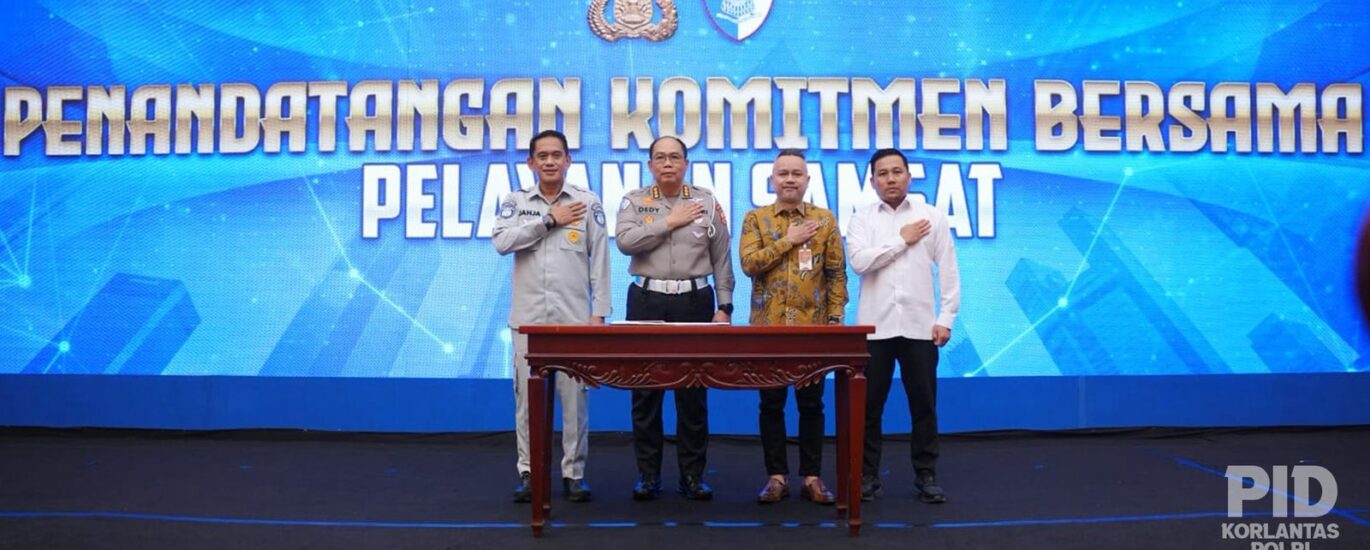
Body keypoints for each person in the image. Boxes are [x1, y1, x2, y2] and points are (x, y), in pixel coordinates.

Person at [493, 129, 610, 504]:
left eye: (556, 155)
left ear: (568, 160)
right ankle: (529, 473)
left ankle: (573, 474)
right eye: (542, 155)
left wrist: (599, 315)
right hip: (527, 322)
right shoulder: (515, 202)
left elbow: (600, 261)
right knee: (527, 402)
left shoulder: (587, 202)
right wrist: (548, 221)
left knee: (574, 402)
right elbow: (501, 242)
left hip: (573, 322)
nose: (549, 161)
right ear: (530, 162)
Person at [615, 135, 734, 501]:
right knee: (645, 393)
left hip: (695, 301)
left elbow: (721, 257)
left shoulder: (706, 202)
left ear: (686, 163)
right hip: (646, 300)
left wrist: (725, 306)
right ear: (650, 164)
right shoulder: (634, 201)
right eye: (660, 157)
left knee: (693, 393)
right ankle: (648, 476)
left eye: (675, 157)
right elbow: (625, 242)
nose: (667, 163)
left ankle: (692, 476)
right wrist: (669, 221)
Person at [846, 148, 961, 504]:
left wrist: (946, 318)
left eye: (897, 172)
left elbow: (949, 270)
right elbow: (860, 263)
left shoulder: (932, 216)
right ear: (872, 181)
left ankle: (926, 475)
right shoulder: (861, 219)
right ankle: (867, 476)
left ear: (909, 177)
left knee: (923, 406)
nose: (891, 179)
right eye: (883, 173)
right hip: (874, 329)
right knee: (869, 408)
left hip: (921, 327)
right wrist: (901, 240)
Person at [738, 149, 848, 505]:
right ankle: (776, 477)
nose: (789, 179)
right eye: (783, 173)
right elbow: (749, 264)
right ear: (772, 179)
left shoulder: (824, 220)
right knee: (771, 404)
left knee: (811, 405)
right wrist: (790, 240)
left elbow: (836, 274)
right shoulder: (756, 219)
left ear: (807, 180)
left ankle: (812, 478)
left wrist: (835, 320)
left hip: (811, 330)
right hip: (767, 330)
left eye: (796, 174)